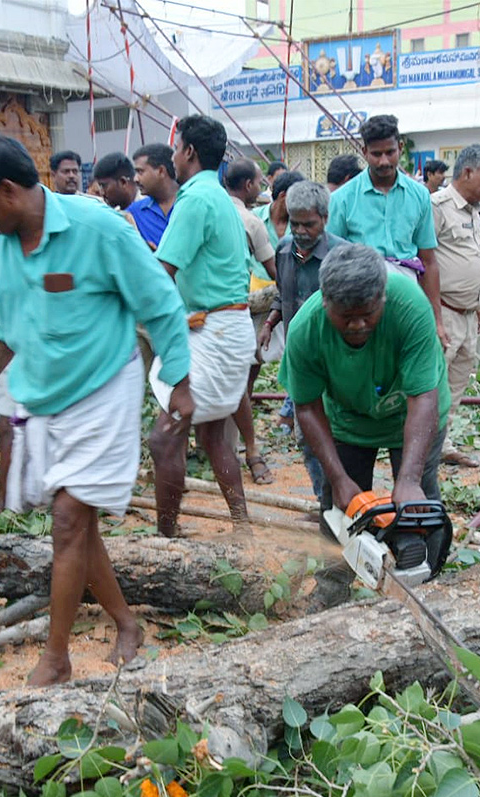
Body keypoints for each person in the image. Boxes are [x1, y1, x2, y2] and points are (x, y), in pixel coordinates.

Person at [0, 133, 191, 685]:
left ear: (9, 191)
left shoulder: (97, 229)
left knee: (66, 523)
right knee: (79, 530)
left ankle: (55, 659)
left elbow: (160, 303)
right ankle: (127, 623)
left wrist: (179, 380)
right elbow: (8, 326)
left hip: (104, 391)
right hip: (42, 394)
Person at [279, 244, 450, 545]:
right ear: (325, 304)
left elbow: (422, 398)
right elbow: (306, 408)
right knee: (341, 509)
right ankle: (333, 587)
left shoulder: (411, 307)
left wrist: (408, 480)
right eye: (346, 317)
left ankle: (428, 581)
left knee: (418, 506)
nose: (358, 325)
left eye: (369, 314)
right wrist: (339, 479)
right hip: (347, 420)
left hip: (411, 416)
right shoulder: (304, 330)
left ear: (382, 298)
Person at [149, 115, 255, 535]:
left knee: (164, 438)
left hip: (213, 331)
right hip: (227, 326)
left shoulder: (194, 199)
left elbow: (162, 273)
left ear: (188, 152)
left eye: (175, 149)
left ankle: (167, 535)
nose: (172, 157)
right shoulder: (218, 197)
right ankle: (242, 527)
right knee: (212, 436)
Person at [259, 180, 347, 499]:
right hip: (300, 360)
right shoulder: (284, 251)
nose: (300, 230)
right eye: (294, 223)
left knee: (337, 434)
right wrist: (271, 322)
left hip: (335, 360)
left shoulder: (342, 256)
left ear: (324, 218)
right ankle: (326, 500)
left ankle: (343, 497)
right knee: (307, 437)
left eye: (308, 224)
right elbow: (284, 295)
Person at [327, 115, 445, 347]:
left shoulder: (419, 195)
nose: (383, 161)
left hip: (407, 293)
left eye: (389, 152)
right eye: (376, 154)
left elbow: (429, 261)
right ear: (364, 151)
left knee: (405, 357)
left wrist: (437, 320)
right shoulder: (342, 199)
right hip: (359, 297)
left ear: (400, 148)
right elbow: (330, 260)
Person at [431, 144, 480, 469]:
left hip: (470, 316)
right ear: (467, 172)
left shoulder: (474, 210)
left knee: (456, 383)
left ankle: (441, 443)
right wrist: (434, 318)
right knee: (432, 383)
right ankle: (421, 449)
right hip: (444, 313)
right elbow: (423, 262)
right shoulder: (437, 207)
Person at [224, 157, 277, 485]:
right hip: (233, 315)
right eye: (260, 182)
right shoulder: (249, 220)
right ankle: (252, 450)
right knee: (238, 385)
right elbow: (273, 269)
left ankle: (229, 448)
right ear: (248, 186)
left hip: (196, 316)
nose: (262, 187)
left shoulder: (196, 210)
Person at [128, 143, 178, 250]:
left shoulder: (192, 204)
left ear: (161, 171)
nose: (135, 179)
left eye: (140, 172)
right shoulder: (133, 214)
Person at [257, 169, 306, 251]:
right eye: (298, 198)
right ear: (283, 196)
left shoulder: (303, 223)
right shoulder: (255, 217)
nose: (302, 203)